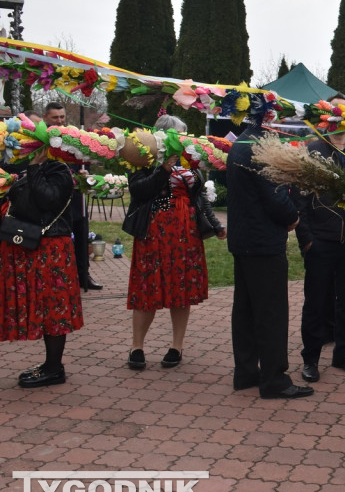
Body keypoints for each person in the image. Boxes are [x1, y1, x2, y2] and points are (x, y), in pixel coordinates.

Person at [123, 115, 225, 370]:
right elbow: (138, 191)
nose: (184, 140)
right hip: (154, 229)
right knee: (147, 288)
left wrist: (214, 224)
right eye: (180, 136)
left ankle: (176, 346)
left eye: (185, 135)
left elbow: (198, 197)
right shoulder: (144, 156)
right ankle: (137, 347)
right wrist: (163, 170)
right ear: (164, 137)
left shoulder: (191, 160)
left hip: (186, 232)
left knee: (182, 289)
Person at [227, 100, 310, 399]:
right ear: (268, 119)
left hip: (244, 240)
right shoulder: (260, 149)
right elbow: (274, 195)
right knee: (270, 311)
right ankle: (274, 378)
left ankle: (246, 371)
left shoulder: (241, 143)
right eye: (278, 121)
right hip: (263, 241)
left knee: (246, 309)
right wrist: (293, 217)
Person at [294, 105, 345, 382]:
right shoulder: (312, 151)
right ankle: (311, 357)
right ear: (326, 123)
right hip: (320, 240)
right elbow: (299, 199)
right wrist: (307, 240)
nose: (340, 126)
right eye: (334, 120)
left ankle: (342, 353)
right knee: (316, 301)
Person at [0, 146, 82, 387]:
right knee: (44, 306)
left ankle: (54, 368)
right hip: (34, 246)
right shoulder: (25, 170)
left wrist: (35, 167)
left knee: (53, 307)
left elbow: (48, 200)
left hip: (52, 249)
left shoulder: (59, 170)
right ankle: (51, 365)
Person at [43, 102, 102, 291]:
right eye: (55, 118)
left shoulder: (72, 137)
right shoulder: (42, 140)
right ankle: (60, 276)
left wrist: (85, 174)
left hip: (76, 197)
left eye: (62, 117)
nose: (60, 121)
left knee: (82, 233)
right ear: (46, 119)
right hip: (54, 200)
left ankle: (83, 274)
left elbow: (84, 162)